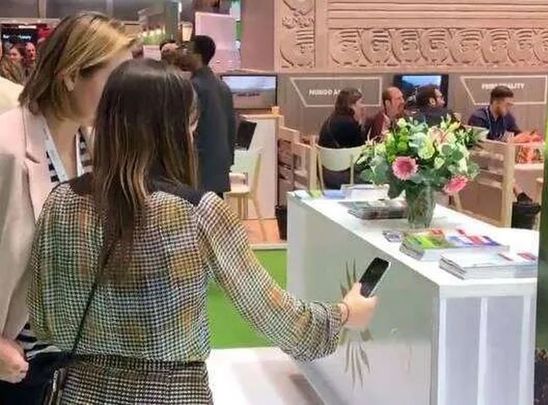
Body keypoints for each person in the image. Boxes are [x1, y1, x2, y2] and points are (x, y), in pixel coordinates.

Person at [27, 58, 377, 404]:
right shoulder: (197, 212)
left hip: (79, 390)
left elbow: (42, 318)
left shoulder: (61, 201)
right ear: (179, 127)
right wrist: (343, 314)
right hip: (171, 394)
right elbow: (271, 314)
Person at [0, 12, 132, 403]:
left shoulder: (96, 144)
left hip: (83, 356)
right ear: (72, 75)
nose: (122, 96)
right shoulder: (7, 148)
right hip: (19, 364)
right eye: (114, 81)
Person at [186, 35, 236, 196]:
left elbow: (188, 129)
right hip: (220, 165)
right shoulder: (223, 87)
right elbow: (231, 128)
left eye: (188, 51)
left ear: (197, 56)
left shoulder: (193, 87)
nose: (185, 55)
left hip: (199, 165)